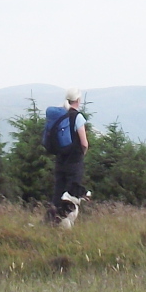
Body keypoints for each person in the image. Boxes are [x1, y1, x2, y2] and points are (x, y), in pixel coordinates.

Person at [49, 89, 90, 224]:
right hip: (74, 163)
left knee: (58, 194)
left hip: (60, 161)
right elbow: (84, 143)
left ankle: (51, 222)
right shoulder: (78, 117)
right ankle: (66, 225)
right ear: (78, 100)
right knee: (71, 196)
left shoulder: (61, 115)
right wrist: (82, 154)